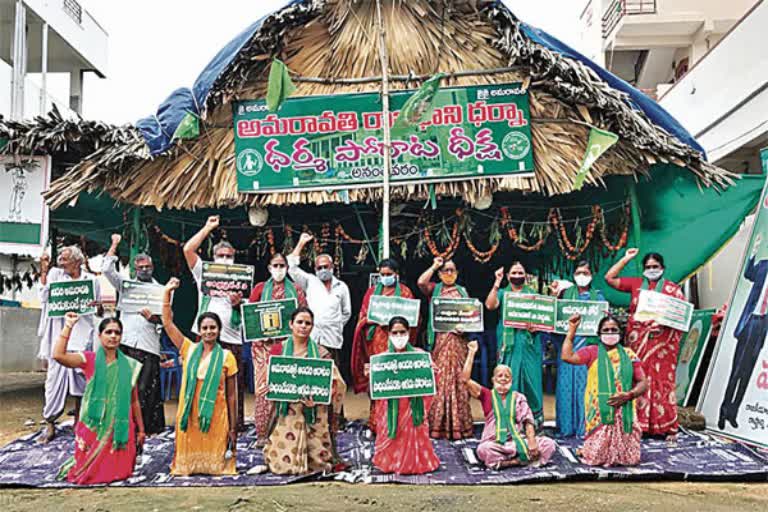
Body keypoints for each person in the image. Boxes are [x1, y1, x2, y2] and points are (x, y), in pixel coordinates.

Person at [53, 313, 145, 484]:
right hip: (94, 424)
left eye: (117, 333)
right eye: (108, 332)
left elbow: (134, 401)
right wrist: (68, 326)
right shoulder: (89, 359)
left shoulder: (129, 365)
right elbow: (58, 355)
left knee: (122, 473)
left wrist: (141, 429)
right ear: (99, 336)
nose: (113, 336)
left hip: (120, 427)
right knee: (88, 471)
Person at [162, 278, 238, 476]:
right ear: (200, 330)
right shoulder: (188, 349)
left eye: (213, 327)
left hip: (216, 413)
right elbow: (167, 323)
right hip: (190, 412)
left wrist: (233, 425)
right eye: (204, 328)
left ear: (219, 330)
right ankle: (188, 466)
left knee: (217, 458)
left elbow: (231, 395)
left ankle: (215, 466)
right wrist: (167, 293)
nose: (209, 331)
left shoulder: (227, 357)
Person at [605, 249, 684, 439]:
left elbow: (680, 317)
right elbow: (609, 277)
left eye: (655, 267)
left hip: (662, 344)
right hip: (637, 342)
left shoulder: (673, 290)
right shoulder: (636, 284)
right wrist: (626, 258)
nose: (651, 270)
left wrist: (662, 327)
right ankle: (637, 423)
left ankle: (665, 425)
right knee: (636, 378)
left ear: (663, 268)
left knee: (662, 382)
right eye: (648, 267)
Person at [264, 307, 347, 475]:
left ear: (312, 326)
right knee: (282, 465)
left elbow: (335, 384)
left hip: (314, 409)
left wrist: (318, 398)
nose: (303, 326)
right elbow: (272, 380)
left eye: (307, 323)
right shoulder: (278, 351)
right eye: (299, 322)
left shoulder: (322, 353)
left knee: (319, 463)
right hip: (288, 409)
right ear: (291, 325)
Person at [183, 215, 246, 431]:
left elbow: (247, 316)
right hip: (207, 338)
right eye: (220, 255)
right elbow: (187, 250)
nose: (225, 259)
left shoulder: (242, 277)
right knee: (203, 381)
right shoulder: (204, 272)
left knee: (232, 386)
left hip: (232, 339)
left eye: (229, 256)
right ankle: (203, 423)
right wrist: (208, 227)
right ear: (213, 256)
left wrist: (238, 304)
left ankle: (233, 427)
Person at [561, 314, 649, 467]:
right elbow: (566, 356)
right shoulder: (592, 352)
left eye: (613, 330)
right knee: (595, 457)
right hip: (599, 411)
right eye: (605, 330)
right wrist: (571, 331)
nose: (610, 333)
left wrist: (629, 395)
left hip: (624, 409)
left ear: (620, 334)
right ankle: (589, 448)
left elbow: (643, 382)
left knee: (630, 459)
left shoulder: (629, 355)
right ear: (599, 334)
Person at [37, 246, 102, 443]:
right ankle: (49, 423)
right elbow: (43, 296)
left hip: (82, 337)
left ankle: (78, 422)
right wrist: (44, 268)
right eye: (61, 259)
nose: (61, 263)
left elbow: (97, 310)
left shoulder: (92, 281)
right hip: (59, 338)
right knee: (53, 382)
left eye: (65, 259)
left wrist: (97, 306)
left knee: (82, 382)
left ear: (77, 262)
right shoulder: (56, 275)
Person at [102, 233, 165, 435]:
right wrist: (114, 244)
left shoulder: (161, 290)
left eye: (147, 267)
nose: (145, 270)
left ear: (152, 268)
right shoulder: (125, 286)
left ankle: (146, 429)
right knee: (125, 387)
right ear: (135, 269)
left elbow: (166, 321)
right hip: (127, 342)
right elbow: (106, 269)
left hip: (148, 345)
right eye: (141, 267)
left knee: (146, 389)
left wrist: (154, 319)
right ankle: (124, 425)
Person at [461, 341, 556, 469]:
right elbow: (465, 380)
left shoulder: (519, 397)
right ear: (493, 380)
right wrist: (471, 353)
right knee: (483, 450)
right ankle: (516, 461)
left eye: (507, 376)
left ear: (511, 380)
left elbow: (528, 421)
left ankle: (509, 461)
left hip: (518, 442)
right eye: (500, 376)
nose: (504, 379)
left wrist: (532, 442)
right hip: (496, 443)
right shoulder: (487, 395)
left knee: (548, 444)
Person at [364, 316, 440, 475]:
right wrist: (371, 375)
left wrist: (432, 373)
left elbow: (431, 385)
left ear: (409, 332)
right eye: (395, 332)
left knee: (414, 427)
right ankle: (390, 463)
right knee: (391, 430)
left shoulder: (420, 355)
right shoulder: (382, 359)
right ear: (389, 334)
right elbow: (375, 391)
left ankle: (413, 463)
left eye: (402, 332)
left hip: (413, 407)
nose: (399, 336)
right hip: (391, 407)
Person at [248, 252, 307, 444]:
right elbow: (250, 317)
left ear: (287, 268)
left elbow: (304, 316)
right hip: (262, 348)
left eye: (282, 266)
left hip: (288, 346)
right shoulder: (259, 289)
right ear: (269, 268)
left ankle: (285, 432)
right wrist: (265, 332)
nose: (279, 269)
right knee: (264, 391)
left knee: (286, 388)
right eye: (276, 265)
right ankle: (263, 434)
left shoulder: (296, 291)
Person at [352, 258, 416, 432]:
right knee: (379, 379)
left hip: (398, 343)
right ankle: (377, 421)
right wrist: (371, 319)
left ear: (397, 275)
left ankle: (399, 420)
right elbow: (362, 316)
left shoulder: (405, 292)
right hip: (377, 343)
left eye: (389, 274)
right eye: (383, 274)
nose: (386, 277)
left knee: (397, 379)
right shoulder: (372, 293)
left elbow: (413, 320)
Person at [417, 257, 473, 440]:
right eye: (445, 270)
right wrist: (434, 265)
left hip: (459, 343)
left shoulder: (462, 292)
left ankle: (460, 426)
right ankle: (437, 425)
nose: (449, 274)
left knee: (459, 381)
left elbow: (471, 316)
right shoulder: (435, 289)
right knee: (440, 380)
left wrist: (465, 328)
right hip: (441, 340)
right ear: (440, 274)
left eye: (452, 270)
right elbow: (421, 282)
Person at [550, 261, 606, 438]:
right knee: (565, 387)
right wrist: (554, 298)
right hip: (568, 346)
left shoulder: (598, 297)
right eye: (578, 272)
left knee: (586, 387)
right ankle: (566, 428)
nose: (582, 275)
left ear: (591, 275)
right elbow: (555, 318)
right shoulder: (566, 294)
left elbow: (603, 322)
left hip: (588, 350)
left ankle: (586, 427)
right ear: (573, 275)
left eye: (585, 272)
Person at [485, 262, 544, 427]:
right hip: (508, 345)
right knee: (507, 378)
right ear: (508, 275)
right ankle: (508, 420)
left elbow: (543, 319)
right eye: (514, 273)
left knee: (531, 381)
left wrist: (535, 327)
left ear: (525, 275)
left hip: (529, 345)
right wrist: (497, 282)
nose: (517, 276)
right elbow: (490, 305)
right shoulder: (503, 293)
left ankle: (533, 422)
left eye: (520, 273)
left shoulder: (533, 295)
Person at [719, 234, 768, 429]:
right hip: (750, 323)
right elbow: (748, 274)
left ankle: (733, 412)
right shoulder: (764, 265)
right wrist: (754, 250)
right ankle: (723, 412)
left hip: (763, 326)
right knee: (736, 370)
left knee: (747, 374)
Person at [288, 233, 351, 363]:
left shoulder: (341, 287)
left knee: (332, 374)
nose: (323, 270)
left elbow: (346, 313)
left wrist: (335, 324)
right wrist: (301, 243)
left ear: (332, 267)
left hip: (332, 339)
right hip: (312, 338)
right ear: (315, 269)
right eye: (319, 267)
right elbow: (291, 268)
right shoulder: (310, 281)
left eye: (325, 267)